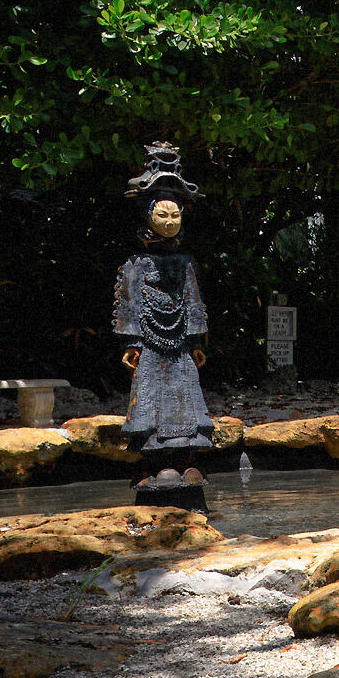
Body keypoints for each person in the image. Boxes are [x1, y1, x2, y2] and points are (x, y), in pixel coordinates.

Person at [115, 143, 214, 505]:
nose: (170, 221)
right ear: (146, 215)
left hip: (181, 346)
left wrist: (197, 341)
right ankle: (152, 463)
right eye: (163, 215)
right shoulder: (135, 263)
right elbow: (128, 301)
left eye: (176, 215)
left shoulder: (185, 262)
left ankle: (186, 459)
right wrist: (131, 343)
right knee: (150, 399)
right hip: (151, 345)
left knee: (186, 395)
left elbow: (193, 300)